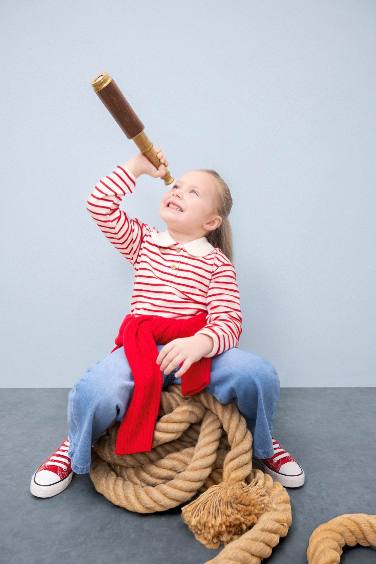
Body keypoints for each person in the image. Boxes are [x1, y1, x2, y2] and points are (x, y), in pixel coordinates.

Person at [30, 149, 305, 499]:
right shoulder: (143, 242)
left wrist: (199, 344)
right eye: (176, 185)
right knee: (94, 391)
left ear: (212, 222)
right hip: (141, 348)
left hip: (196, 349)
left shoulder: (217, 264)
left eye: (193, 192)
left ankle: (263, 445)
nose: (177, 191)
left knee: (258, 374)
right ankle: (74, 447)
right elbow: (99, 205)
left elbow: (229, 321)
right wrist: (136, 168)